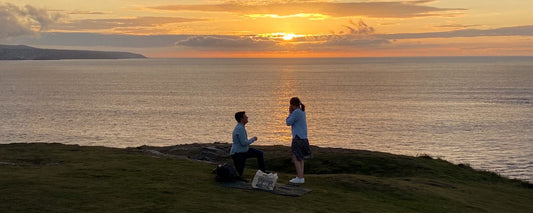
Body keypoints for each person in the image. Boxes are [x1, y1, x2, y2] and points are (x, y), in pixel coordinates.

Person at [231, 111, 266, 178]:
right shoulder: (239, 128)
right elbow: (244, 143)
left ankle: (263, 172)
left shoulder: (241, 127)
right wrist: (253, 139)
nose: (247, 117)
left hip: (244, 151)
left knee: (259, 153)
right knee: (239, 174)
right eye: (245, 116)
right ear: (241, 119)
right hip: (238, 154)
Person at [286, 97, 312, 184]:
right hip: (303, 137)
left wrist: (290, 113)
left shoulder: (296, 112)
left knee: (296, 157)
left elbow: (288, 122)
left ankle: (299, 177)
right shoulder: (302, 111)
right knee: (301, 158)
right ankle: (301, 176)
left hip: (298, 137)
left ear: (292, 105)